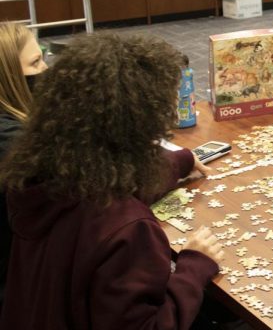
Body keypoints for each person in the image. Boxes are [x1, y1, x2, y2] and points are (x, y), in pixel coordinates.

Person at [0, 32, 224, 328]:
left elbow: (109, 183)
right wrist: (194, 266)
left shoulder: (42, 179)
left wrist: (176, 163)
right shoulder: (128, 229)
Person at [0, 23, 48, 309]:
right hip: (18, 293)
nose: (45, 69)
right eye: (35, 62)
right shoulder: (12, 142)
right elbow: (92, 183)